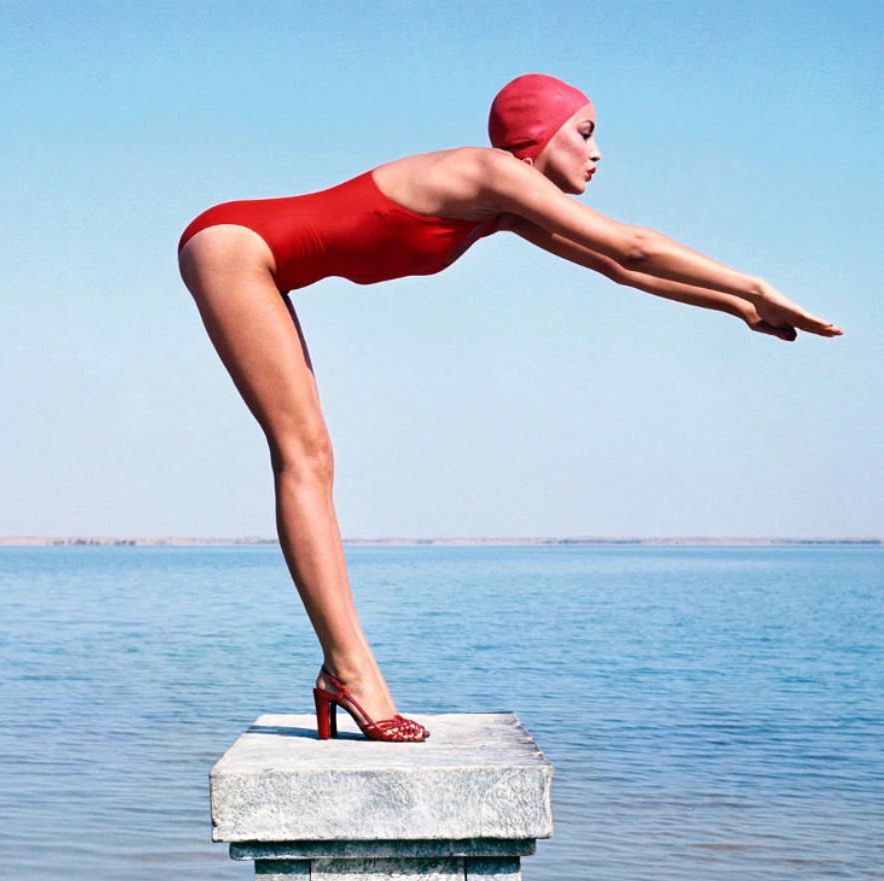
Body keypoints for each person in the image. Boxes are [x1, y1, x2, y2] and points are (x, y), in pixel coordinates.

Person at [177, 73, 841, 742]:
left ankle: (342, 675)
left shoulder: (501, 204)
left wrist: (739, 309)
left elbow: (620, 268)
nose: (598, 152)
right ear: (537, 135)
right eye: (584, 133)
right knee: (305, 455)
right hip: (235, 247)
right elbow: (630, 243)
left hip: (254, 255)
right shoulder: (489, 171)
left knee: (312, 456)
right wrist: (756, 283)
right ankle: (349, 673)